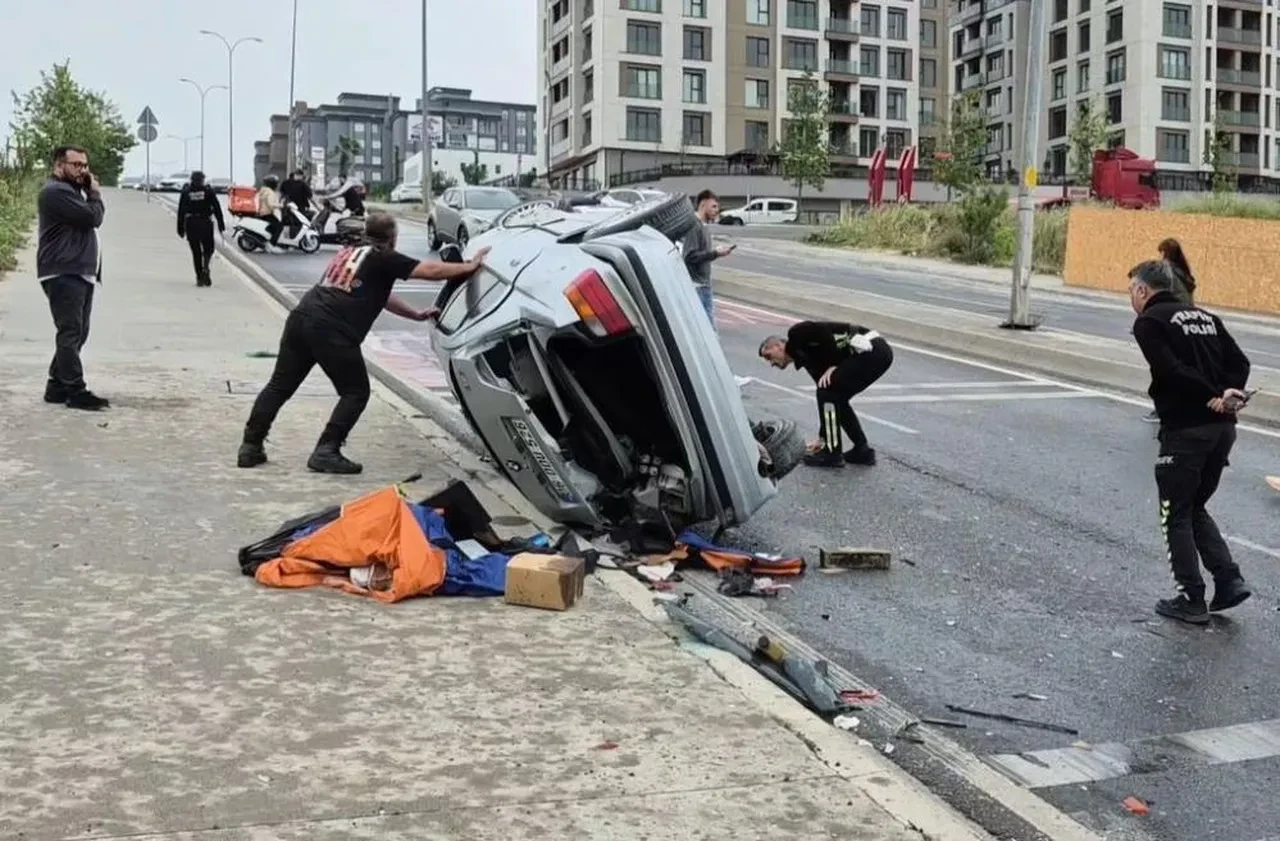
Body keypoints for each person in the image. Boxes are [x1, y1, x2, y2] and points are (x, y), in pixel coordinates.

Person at [237, 211, 490, 474]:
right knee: (356, 392)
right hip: (333, 329)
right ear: (392, 237)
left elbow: (381, 295)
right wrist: (469, 267)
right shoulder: (383, 257)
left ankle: (250, 447)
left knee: (280, 386)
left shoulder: (349, 253)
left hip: (301, 319)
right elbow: (430, 270)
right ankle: (327, 450)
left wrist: (414, 314)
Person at [1129, 259, 1252, 624]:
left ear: (1142, 290)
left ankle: (1190, 598)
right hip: (1222, 430)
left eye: (1131, 292)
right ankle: (1229, 580)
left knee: (1175, 514)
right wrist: (1229, 392)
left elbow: (1171, 371)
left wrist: (1213, 393)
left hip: (1186, 430)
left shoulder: (1149, 322)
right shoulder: (1206, 317)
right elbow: (1240, 362)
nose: (1131, 301)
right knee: (1194, 506)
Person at [758, 321, 893, 468]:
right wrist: (822, 439)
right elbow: (827, 406)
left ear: (778, 346)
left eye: (768, 356)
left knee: (827, 392)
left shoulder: (797, 334)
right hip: (873, 355)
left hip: (871, 348)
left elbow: (822, 331)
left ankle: (832, 453)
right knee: (833, 397)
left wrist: (833, 365)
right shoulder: (807, 361)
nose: (771, 363)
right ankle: (862, 450)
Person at [36, 145, 108, 411]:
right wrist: (95, 193)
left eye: (85, 165)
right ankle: (75, 390)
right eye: (76, 165)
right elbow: (93, 217)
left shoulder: (70, 191)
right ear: (58, 166)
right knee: (70, 331)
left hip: (78, 271)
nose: (83, 171)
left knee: (79, 332)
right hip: (64, 270)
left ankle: (56, 385)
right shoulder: (56, 192)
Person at [1144, 238, 1198, 423]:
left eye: (1161, 252)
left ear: (1165, 253)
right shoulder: (1184, 272)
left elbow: (1162, 300)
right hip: (1186, 324)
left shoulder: (1167, 273)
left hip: (1169, 326)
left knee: (1161, 369)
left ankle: (1162, 409)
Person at [681, 189, 735, 326]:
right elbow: (689, 256)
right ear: (703, 204)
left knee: (708, 329)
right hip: (697, 287)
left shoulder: (703, 227)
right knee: (707, 330)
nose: (716, 210)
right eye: (713, 206)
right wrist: (715, 253)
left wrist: (716, 253)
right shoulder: (695, 226)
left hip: (704, 285)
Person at [176, 170, 225, 287]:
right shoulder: (208, 191)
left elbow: (181, 211)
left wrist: (180, 228)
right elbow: (217, 207)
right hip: (205, 223)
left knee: (196, 252)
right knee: (209, 248)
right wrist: (220, 223)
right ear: (203, 180)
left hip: (191, 224)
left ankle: (199, 276)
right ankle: (206, 266)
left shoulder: (186, 192)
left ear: (191, 180)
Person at [279, 169, 314, 237]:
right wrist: (318, 207)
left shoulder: (286, 182)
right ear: (301, 176)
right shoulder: (303, 184)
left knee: (288, 222)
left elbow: (281, 194)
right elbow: (310, 197)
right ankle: (295, 238)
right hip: (299, 207)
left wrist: (280, 203)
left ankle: (286, 238)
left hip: (288, 206)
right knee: (299, 223)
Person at [256, 174, 285, 252]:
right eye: (276, 183)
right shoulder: (269, 192)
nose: (277, 185)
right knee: (279, 227)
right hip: (267, 213)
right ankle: (271, 244)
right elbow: (270, 204)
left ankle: (265, 242)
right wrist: (281, 205)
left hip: (261, 213)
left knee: (272, 228)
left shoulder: (263, 190)